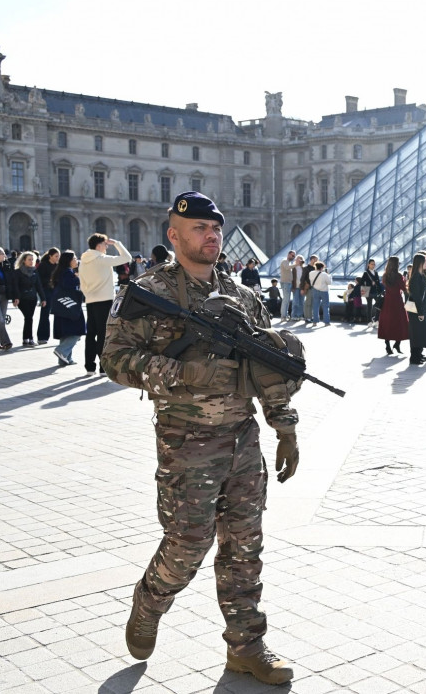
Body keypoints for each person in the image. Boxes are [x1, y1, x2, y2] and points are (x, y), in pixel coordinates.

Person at [103, 191, 300, 686]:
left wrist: (285, 426)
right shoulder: (149, 292)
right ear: (174, 235)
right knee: (188, 544)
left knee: (244, 547)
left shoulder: (242, 297)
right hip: (185, 441)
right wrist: (181, 372)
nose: (210, 236)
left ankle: (247, 648)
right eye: (198, 229)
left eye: (215, 229)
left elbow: (268, 368)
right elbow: (114, 361)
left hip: (242, 438)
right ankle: (149, 601)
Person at [78, 233, 132, 376]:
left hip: (90, 300)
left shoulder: (83, 261)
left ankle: (89, 367)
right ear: (99, 245)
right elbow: (127, 258)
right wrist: (117, 243)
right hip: (105, 300)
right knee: (103, 333)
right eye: (105, 244)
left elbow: (82, 283)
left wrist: (88, 294)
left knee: (91, 334)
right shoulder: (101, 259)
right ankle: (103, 367)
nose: (107, 246)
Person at [49, 250, 83, 366]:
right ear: (68, 261)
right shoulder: (67, 273)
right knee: (77, 330)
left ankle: (65, 358)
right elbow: (69, 285)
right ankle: (61, 351)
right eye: (74, 258)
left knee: (66, 332)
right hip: (70, 305)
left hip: (63, 306)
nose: (76, 260)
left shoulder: (61, 271)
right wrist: (79, 278)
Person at [8, 252, 46, 347]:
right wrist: (15, 298)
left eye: (33, 259)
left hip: (32, 298)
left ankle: (26, 339)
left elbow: (39, 286)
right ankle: (29, 338)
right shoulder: (17, 272)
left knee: (29, 318)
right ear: (23, 260)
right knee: (28, 317)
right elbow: (15, 286)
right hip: (22, 298)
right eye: (29, 259)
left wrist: (43, 298)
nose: (31, 261)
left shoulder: (35, 271)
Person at [378, 256, 409, 355]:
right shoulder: (399, 276)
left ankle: (387, 345)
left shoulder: (385, 275)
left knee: (387, 323)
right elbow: (403, 288)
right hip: (397, 301)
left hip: (387, 302)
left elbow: (384, 285)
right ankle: (397, 343)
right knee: (401, 322)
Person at [36, 248, 60, 345]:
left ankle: (60, 335)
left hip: (57, 292)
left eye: (59, 256)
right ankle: (42, 337)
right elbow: (39, 280)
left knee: (59, 313)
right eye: (56, 256)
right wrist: (50, 281)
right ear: (50, 256)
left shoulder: (58, 266)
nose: (58, 258)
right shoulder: (43, 265)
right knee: (45, 313)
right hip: (46, 291)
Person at [359, 259, 382, 324]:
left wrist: (376, 284)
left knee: (379, 304)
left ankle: (376, 319)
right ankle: (369, 321)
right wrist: (369, 283)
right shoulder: (365, 273)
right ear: (368, 265)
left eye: (374, 264)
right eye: (372, 264)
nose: (373, 265)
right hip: (368, 291)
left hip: (375, 291)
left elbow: (378, 282)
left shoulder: (376, 272)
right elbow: (361, 282)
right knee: (369, 306)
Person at [278, 250, 297, 320]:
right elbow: (287, 268)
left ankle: (285, 314)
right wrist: (296, 264)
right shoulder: (285, 261)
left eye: (294, 256)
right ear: (288, 254)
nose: (293, 257)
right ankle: (283, 315)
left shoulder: (288, 262)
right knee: (286, 300)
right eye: (292, 255)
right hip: (285, 282)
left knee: (287, 299)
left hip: (288, 283)